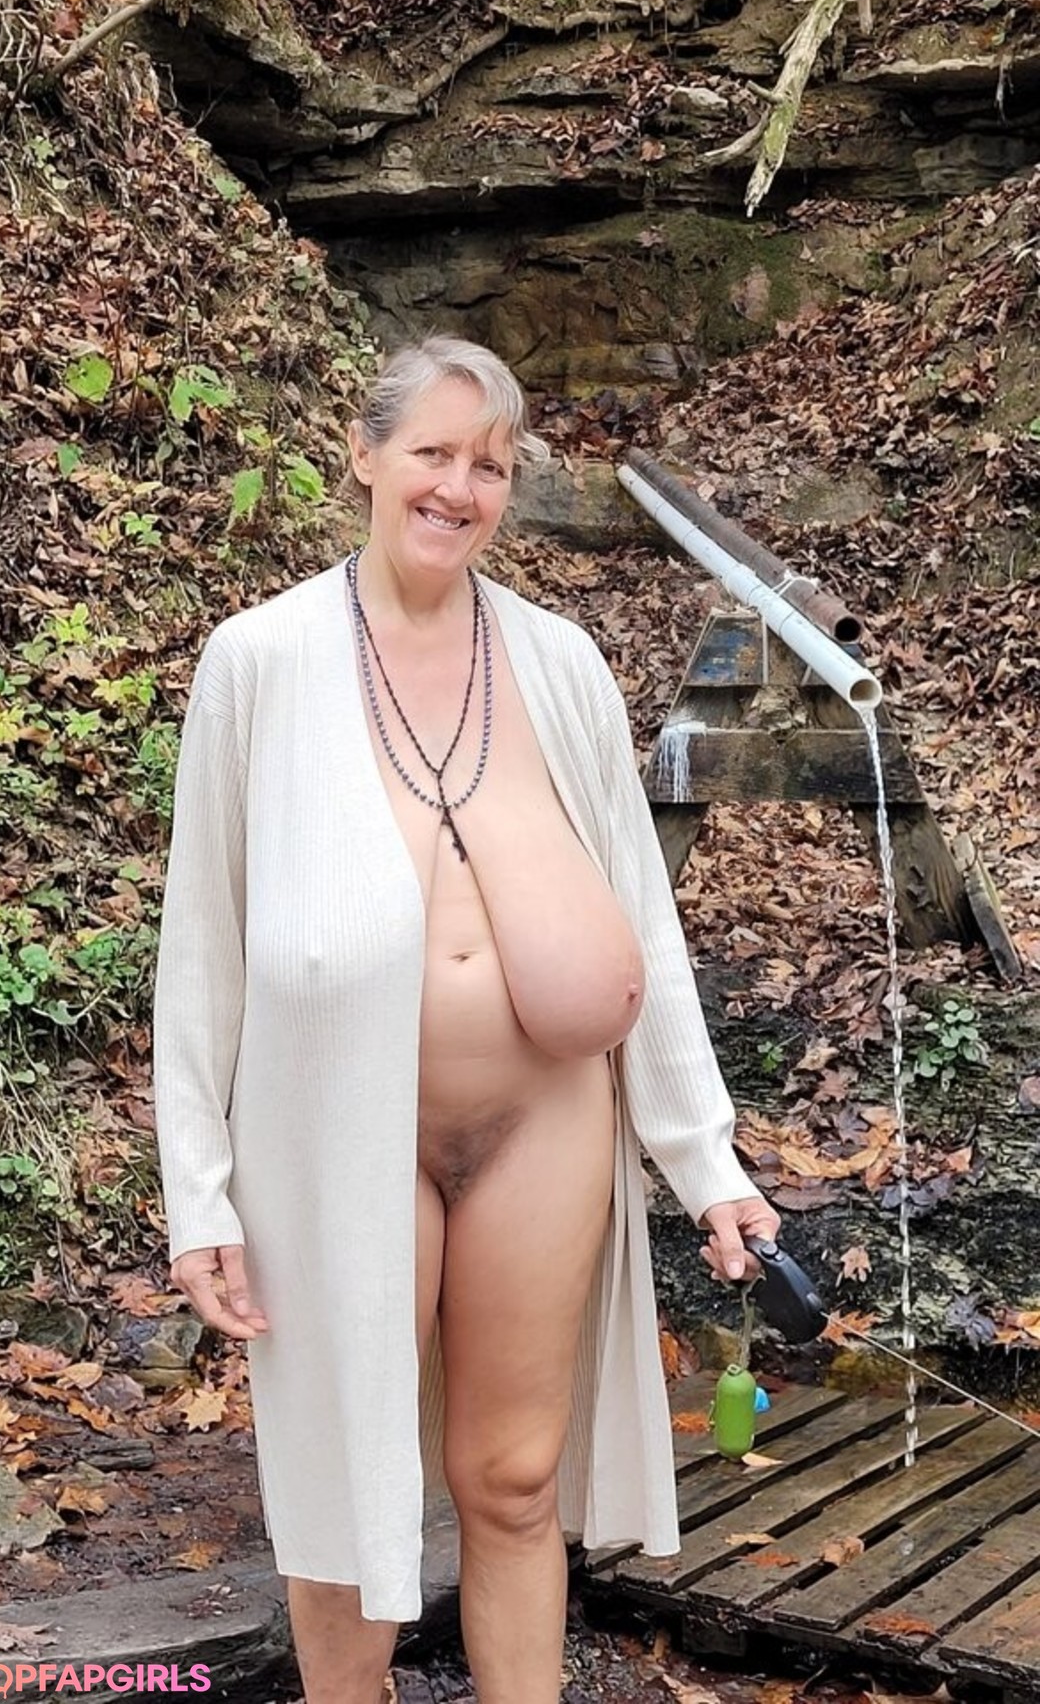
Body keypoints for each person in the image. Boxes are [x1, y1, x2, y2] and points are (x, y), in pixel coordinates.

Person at [153, 336, 779, 1704]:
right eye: (431, 452)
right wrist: (196, 1192)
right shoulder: (259, 661)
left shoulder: (558, 664)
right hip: (338, 1133)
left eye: (488, 465)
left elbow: (640, 918)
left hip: (540, 1120)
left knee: (511, 1478)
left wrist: (705, 1158)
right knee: (346, 1487)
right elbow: (200, 942)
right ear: (366, 457)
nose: (458, 487)